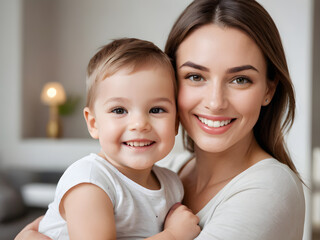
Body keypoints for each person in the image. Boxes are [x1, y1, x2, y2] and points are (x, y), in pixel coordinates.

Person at [15, 0, 306, 239]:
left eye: (240, 79)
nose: (216, 102)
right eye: (195, 76)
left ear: (268, 89)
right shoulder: (160, 172)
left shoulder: (269, 189)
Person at [36, 38, 200, 240]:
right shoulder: (90, 181)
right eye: (119, 110)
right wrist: (174, 235)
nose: (140, 124)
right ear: (94, 123)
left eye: (156, 110)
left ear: (176, 123)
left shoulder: (172, 184)